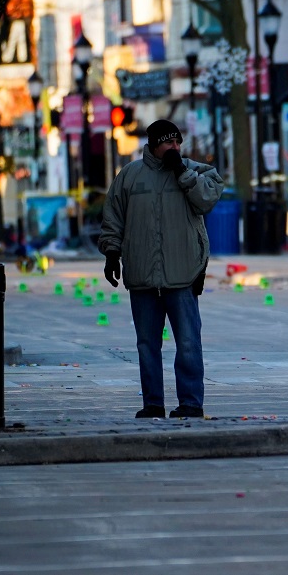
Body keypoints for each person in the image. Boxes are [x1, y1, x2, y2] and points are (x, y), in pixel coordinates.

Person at [98, 120, 224, 418]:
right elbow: (113, 216)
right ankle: (153, 403)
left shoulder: (196, 171)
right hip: (142, 276)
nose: (175, 147)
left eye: (178, 142)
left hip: (182, 275)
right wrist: (112, 252)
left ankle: (191, 404)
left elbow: (207, 200)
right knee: (146, 346)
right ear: (154, 144)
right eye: (168, 142)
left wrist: (183, 174)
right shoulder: (130, 176)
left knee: (189, 344)